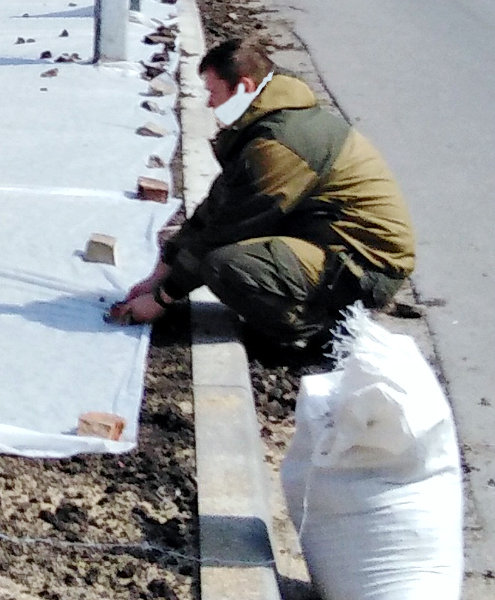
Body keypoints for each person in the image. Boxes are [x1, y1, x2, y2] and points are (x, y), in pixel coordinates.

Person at [109, 33, 415, 357]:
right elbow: (218, 205)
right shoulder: (272, 117)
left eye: (212, 92)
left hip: (366, 266)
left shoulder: (279, 144)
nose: (209, 103)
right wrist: (162, 270)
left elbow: (225, 230)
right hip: (335, 240)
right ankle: (320, 302)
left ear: (242, 87)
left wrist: (160, 300)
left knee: (225, 265)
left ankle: (324, 332)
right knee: (221, 250)